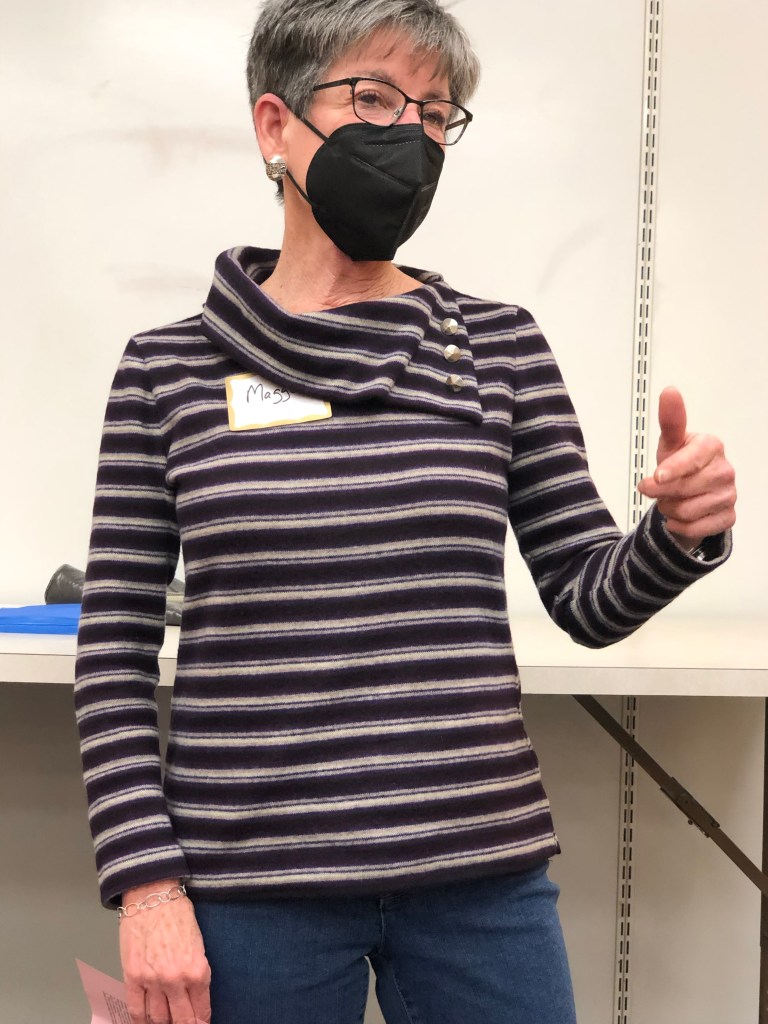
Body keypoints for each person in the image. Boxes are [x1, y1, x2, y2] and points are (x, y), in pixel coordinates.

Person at [73, 2, 737, 1022]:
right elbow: (113, 651)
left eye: (435, 113)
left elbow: (586, 596)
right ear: (275, 125)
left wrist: (679, 535)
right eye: (375, 99)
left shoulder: (499, 348)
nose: (411, 136)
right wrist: (147, 888)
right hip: (254, 889)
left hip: (481, 881)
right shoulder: (168, 371)